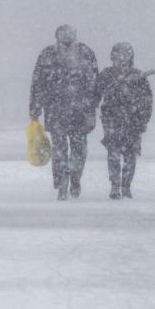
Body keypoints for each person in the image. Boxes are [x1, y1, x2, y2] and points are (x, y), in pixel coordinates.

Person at [29, 24, 98, 200]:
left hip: (80, 111)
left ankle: (75, 178)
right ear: (57, 39)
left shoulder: (86, 54)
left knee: (79, 150)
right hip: (55, 110)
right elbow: (38, 83)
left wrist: (91, 105)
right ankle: (61, 181)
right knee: (59, 149)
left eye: (70, 41)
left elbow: (94, 83)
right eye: (63, 41)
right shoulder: (47, 55)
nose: (67, 45)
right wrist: (35, 108)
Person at [95, 42, 153, 199]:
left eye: (125, 58)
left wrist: (143, 120)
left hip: (133, 122)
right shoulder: (106, 75)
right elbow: (95, 95)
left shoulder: (139, 76)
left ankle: (126, 186)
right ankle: (115, 186)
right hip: (111, 120)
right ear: (112, 58)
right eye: (118, 58)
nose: (122, 61)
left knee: (130, 155)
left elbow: (147, 101)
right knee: (113, 154)